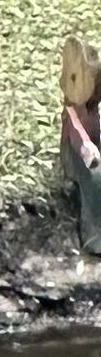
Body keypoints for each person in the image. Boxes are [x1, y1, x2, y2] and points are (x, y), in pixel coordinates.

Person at [62, 35, 101, 251]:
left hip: (96, 145)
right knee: (95, 177)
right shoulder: (73, 107)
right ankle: (94, 239)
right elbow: (76, 130)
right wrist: (87, 145)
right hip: (80, 153)